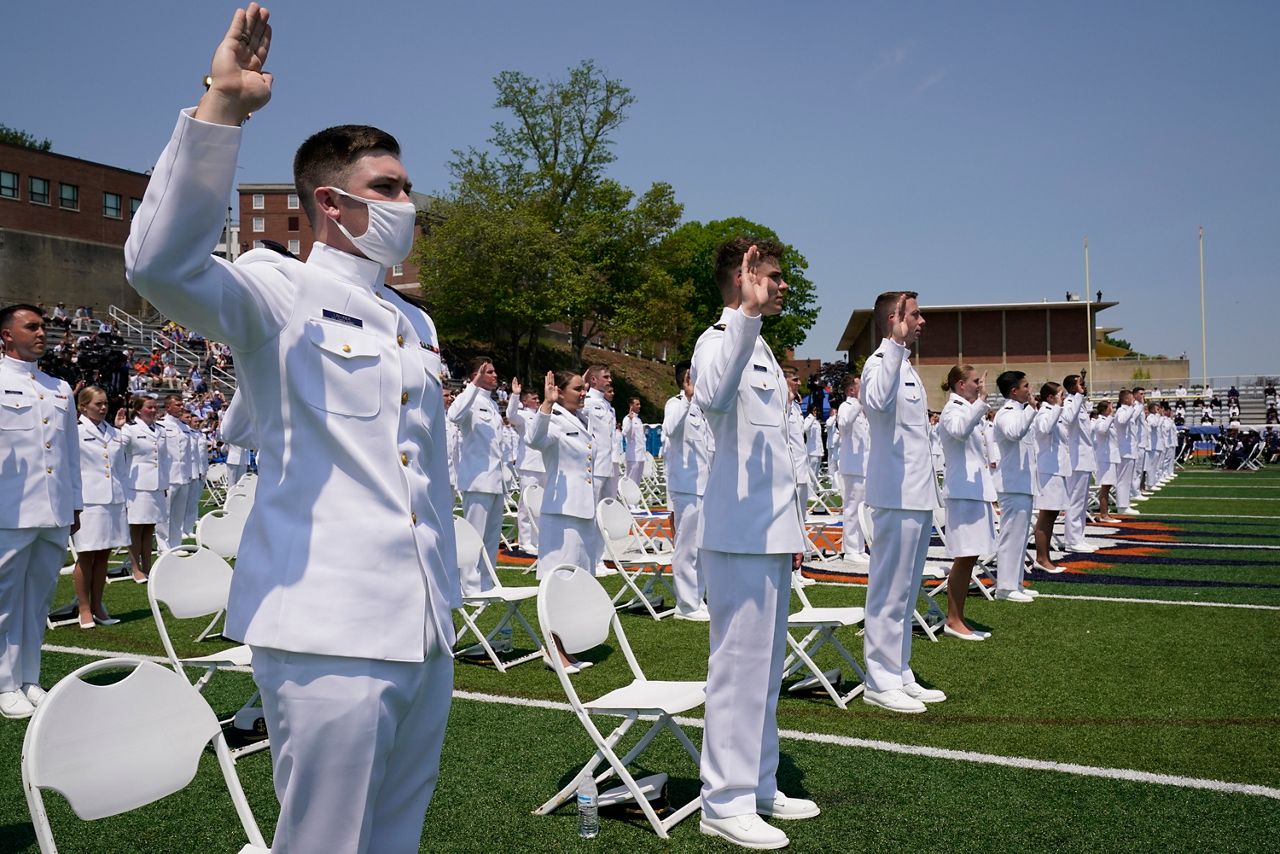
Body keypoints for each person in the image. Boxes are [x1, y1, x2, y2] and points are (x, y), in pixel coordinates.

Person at [123, 6, 459, 850]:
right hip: (327, 629)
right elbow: (160, 265)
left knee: (396, 835)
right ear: (330, 202)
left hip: (422, 620)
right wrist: (223, 110)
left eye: (405, 186)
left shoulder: (410, 323)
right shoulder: (277, 292)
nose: (406, 203)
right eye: (387, 188)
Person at [693, 239, 818, 849]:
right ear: (741, 279)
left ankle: (759, 784)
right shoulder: (719, 339)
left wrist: (794, 530)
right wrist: (744, 313)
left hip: (768, 533)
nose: (782, 285)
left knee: (766, 674)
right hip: (737, 535)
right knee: (737, 673)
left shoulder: (762, 346)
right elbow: (713, 396)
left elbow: (779, 457)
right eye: (771, 276)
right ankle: (723, 800)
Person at [859, 290, 949, 716]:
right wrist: (894, 346)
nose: (922, 321)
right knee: (888, 593)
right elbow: (875, 402)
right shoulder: (880, 363)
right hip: (894, 497)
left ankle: (899, 670)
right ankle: (879, 679)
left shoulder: (905, 367)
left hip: (914, 495)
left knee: (907, 593)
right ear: (895, 319)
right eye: (915, 314)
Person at [0, 304, 82, 719]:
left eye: (43, 326)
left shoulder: (59, 387)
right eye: (31, 326)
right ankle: (3, 683)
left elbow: (69, 453)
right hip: (9, 509)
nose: (41, 333)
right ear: (6, 335)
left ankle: (29, 676)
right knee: (4, 600)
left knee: (38, 600)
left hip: (53, 509)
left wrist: (76, 503)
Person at [525, 370, 598, 673]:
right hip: (562, 513)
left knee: (574, 583)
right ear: (561, 391)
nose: (584, 393)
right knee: (558, 582)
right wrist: (545, 404)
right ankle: (552, 649)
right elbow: (534, 439)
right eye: (579, 389)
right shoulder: (553, 419)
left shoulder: (579, 420)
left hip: (581, 511)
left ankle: (564, 647)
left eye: (585, 389)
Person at [936, 365, 995, 640]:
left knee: (971, 556)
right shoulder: (953, 410)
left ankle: (958, 618)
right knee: (964, 556)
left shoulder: (966, 408)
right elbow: (959, 431)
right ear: (961, 385)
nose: (978, 386)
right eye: (974, 382)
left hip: (973, 491)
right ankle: (953, 620)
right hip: (962, 492)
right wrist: (981, 402)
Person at [70, 386, 130, 628]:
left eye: (105, 403)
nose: (103, 408)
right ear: (83, 406)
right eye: (98, 404)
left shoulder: (113, 433)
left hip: (113, 500)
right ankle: (84, 608)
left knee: (104, 553)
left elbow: (120, 467)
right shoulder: (75, 432)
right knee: (86, 554)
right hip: (88, 501)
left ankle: (98, 606)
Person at [447, 356, 506, 596]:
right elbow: (454, 414)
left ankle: (486, 584)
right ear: (476, 375)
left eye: (493, 372)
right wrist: (473, 385)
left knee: (491, 539)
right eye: (488, 372)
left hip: (496, 480)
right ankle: (469, 586)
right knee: (474, 537)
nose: (494, 376)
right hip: (477, 480)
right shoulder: (469, 400)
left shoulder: (491, 404)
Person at [661, 360, 713, 621]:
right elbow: (669, 429)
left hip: (705, 486)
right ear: (686, 380)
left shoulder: (703, 409)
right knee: (687, 546)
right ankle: (685, 604)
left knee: (702, 546)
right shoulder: (676, 404)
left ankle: (697, 597)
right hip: (686, 487)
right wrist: (688, 398)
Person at [991, 371, 1040, 602]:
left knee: (1020, 537)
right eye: (1025, 386)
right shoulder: (1007, 413)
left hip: (1021, 483)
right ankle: (1005, 587)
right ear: (1014, 391)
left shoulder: (1019, 412)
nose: (1029, 390)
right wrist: (1031, 408)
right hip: (1012, 484)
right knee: (1011, 536)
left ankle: (1016, 583)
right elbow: (1013, 433)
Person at [120, 395, 169, 583]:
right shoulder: (129, 429)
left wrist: (164, 484)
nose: (154, 410)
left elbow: (163, 459)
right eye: (149, 407)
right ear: (138, 410)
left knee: (150, 527)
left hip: (156, 485)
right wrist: (119, 428)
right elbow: (118, 449)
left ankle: (148, 566)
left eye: (155, 407)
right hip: (137, 486)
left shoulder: (160, 430)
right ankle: (135, 568)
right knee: (136, 527)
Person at [505, 377, 545, 558]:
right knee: (526, 504)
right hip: (529, 464)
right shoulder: (523, 415)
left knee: (540, 505)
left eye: (538, 398)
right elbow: (511, 415)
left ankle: (537, 539)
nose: (537, 400)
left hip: (543, 465)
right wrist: (515, 395)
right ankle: (525, 541)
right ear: (526, 400)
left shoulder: (542, 415)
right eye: (534, 398)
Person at [1032, 382, 1068, 573]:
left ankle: (1046, 557)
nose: (1062, 398)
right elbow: (1045, 428)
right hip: (1048, 471)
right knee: (1046, 515)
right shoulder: (1044, 412)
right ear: (1050, 397)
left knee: (1052, 515)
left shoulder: (1054, 411)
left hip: (1057, 468)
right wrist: (1057, 408)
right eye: (1060, 395)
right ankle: (1041, 558)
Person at [836, 375, 870, 564]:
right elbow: (843, 423)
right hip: (852, 467)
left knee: (861, 509)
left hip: (863, 466)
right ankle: (849, 550)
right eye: (859, 386)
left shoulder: (862, 410)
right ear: (851, 390)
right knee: (851, 508)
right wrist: (858, 402)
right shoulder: (847, 406)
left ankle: (858, 547)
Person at [1060, 373, 1096, 553]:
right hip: (1076, 460)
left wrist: (1080, 398)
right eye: (1081, 384)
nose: (1084, 386)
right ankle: (1072, 541)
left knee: (1082, 503)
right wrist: (1079, 396)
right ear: (1073, 387)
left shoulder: (1079, 404)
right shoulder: (1069, 403)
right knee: (1075, 501)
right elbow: (1067, 420)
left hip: (1084, 458)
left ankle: (1079, 537)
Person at [1093, 401, 1120, 521]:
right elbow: (1102, 430)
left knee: (1108, 486)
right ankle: (1103, 514)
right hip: (1104, 459)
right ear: (1106, 409)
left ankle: (1105, 513)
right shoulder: (1100, 421)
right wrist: (1110, 417)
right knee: (1105, 486)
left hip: (1110, 457)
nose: (1112, 409)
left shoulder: (1107, 421)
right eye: (1110, 407)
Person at [622, 396, 646, 489]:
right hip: (633, 455)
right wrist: (630, 420)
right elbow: (625, 433)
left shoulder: (639, 420)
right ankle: (628, 503)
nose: (639, 406)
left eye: (639, 404)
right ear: (631, 405)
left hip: (640, 454)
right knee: (630, 480)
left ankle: (634, 503)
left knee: (637, 483)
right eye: (637, 404)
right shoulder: (627, 419)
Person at [803, 402, 824, 488]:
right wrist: (812, 418)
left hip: (818, 451)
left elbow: (819, 438)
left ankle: (814, 490)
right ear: (811, 410)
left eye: (817, 410)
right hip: (811, 451)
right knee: (811, 472)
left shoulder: (816, 421)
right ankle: (810, 492)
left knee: (816, 472)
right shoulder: (808, 419)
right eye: (814, 410)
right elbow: (805, 428)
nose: (816, 412)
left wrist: (822, 450)